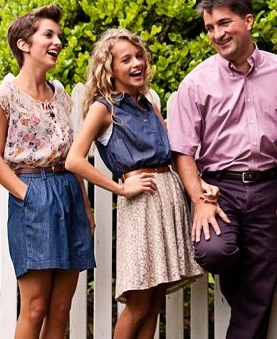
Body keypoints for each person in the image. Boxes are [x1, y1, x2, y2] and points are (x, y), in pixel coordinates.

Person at [169, 0, 277, 339]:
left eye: (224, 23)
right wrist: (198, 199)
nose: (217, 34)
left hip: (273, 188)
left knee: (261, 284)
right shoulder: (196, 83)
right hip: (219, 189)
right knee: (213, 252)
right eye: (210, 27)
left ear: (248, 20)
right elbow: (182, 150)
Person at [65, 29, 203, 339]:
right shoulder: (104, 108)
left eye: (138, 56)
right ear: (109, 68)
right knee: (140, 300)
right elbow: (74, 159)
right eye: (125, 59)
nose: (136, 63)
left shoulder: (149, 103)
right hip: (140, 205)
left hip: (168, 198)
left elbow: (174, 153)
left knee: (155, 301)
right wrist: (120, 188)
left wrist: (200, 186)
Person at [0, 5, 95, 339]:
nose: (57, 41)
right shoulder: (5, 97)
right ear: (24, 44)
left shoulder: (59, 93)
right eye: (49, 35)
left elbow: (72, 155)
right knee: (34, 308)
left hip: (69, 193)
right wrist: (28, 195)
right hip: (33, 190)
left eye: (58, 36)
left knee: (61, 309)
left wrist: (86, 209)